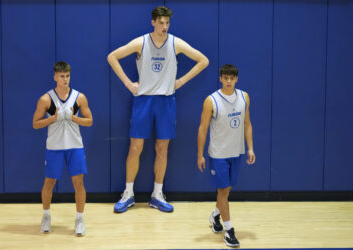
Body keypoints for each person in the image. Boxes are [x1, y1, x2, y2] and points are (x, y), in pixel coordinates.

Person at [107, 6, 209, 213]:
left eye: (167, 23)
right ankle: (128, 194)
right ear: (152, 22)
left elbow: (203, 60)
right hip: (143, 100)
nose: (164, 26)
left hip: (166, 101)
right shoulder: (141, 42)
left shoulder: (175, 43)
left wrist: (180, 81)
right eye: (160, 22)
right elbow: (112, 57)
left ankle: (157, 194)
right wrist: (128, 83)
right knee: (135, 147)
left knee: (162, 148)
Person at [197, 64, 255, 247]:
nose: (229, 81)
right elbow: (203, 129)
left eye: (232, 78)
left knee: (227, 189)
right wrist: (200, 154)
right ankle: (229, 230)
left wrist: (250, 148)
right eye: (226, 78)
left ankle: (215, 215)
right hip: (218, 154)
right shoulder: (211, 100)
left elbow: (247, 124)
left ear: (236, 79)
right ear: (220, 79)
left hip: (236, 151)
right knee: (223, 191)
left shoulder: (244, 97)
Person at [32, 61, 93, 236]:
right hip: (55, 147)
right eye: (61, 76)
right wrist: (53, 119)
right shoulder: (45, 99)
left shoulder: (79, 97)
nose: (65, 79)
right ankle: (46, 216)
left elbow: (90, 121)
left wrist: (74, 118)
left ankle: (80, 219)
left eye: (67, 76)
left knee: (78, 183)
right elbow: (35, 124)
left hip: (75, 146)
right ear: (55, 77)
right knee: (49, 183)